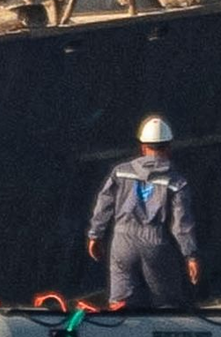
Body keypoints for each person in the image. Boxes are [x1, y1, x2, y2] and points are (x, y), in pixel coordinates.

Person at [86, 115, 201, 311]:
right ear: (168, 147)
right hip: (155, 244)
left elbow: (104, 204)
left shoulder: (120, 172)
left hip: (121, 243)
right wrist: (190, 255)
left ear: (142, 146)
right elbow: (181, 225)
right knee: (167, 304)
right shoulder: (176, 182)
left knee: (120, 303)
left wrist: (95, 235)